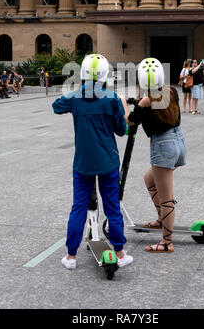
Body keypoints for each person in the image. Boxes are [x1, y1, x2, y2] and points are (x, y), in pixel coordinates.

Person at [52, 53, 133, 270]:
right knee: (112, 207)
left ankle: (71, 256)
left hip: (83, 163)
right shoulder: (112, 98)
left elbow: (56, 106)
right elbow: (121, 130)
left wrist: (76, 94)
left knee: (78, 207)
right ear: (105, 74)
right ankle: (120, 252)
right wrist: (124, 113)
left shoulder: (76, 97)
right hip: (107, 162)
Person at [122, 57, 186, 254]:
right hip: (178, 142)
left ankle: (167, 242)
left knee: (167, 197)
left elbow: (131, 120)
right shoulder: (170, 92)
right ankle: (161, 219)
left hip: (163, 146)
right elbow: (148, 107)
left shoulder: (147, 100)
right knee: (149, 179)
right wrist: (137, 101)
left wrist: (123, 102)